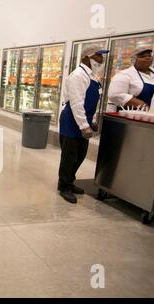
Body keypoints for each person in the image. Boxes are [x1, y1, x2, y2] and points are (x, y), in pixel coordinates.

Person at [58, 46, 109, 204]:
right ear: (87, 57)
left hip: (83, 120)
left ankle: (70, 182)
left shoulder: (93, 76)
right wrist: (83, 126)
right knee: (69, 156)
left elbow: (91, 103)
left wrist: (91, 121)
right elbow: (76, 103)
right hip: (72, 121)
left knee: (80, 156)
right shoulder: (78, 76)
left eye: (101, 57)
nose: (101, 60)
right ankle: (64, 186)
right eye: (98, 56)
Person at [107, 47, 154, 111]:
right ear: (134, 60)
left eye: (149, 55)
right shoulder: (125, 74)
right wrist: (143, 106)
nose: (147, 58)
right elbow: (115, 95)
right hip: (132, 116)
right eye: (142, 56)